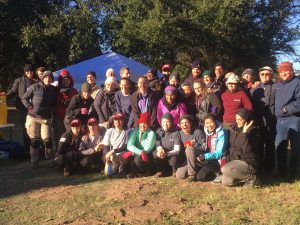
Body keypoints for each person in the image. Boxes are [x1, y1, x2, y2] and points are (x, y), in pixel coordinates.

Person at [22, 71, 57, 168]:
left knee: (47, 140)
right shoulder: (35, 86)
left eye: (50, 78)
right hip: (33, 117)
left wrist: (52, 109)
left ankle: (50, 160)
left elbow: (55, 103)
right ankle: (34, 162)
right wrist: (29, 106)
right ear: (43, 78)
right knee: (35, 141)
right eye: (46, 77)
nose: (48, 79)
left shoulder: (54, 90)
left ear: (52, 79)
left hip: (46, 118)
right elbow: (24, 98)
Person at [221, 109, 261, 187]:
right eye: (236, 119)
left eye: (240, 120)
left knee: (225, 169)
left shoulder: (254, 131)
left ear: (247, 120)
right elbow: (231, 147)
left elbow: (248, 151)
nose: (237, 121)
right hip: (236, 160)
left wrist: (244, 133)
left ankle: (252, 179)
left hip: (249, 162)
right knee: (226, 181)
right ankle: (244, 179)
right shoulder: (233, 129)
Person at [274, 62, 300, 179]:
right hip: (280, 121)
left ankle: (294, 172)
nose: (283, 73)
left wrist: (286, 109)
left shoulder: (297, 82)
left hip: (294, 118)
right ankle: (282, 171)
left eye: (286, 71)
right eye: (281, 71)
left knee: (295, 147)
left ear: (291, 71)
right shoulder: (278, 84)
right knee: (280, 146)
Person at [250, 66, 277, 175]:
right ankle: (259, 167)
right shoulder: (254, 88)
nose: (265, 76)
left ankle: (269, 168)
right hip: (258, 120)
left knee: (270, 145)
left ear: (271, 75)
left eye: (267, 74)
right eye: (262, 74)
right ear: (259, 75)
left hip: (271, 120)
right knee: (259, 145)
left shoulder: (276, 87)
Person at [6, 64, 36, 153]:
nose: (29, 73)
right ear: (24, 72)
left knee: (35, 128)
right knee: (25, 127)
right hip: (23, 107)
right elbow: (12, 91)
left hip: (34, 107)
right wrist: (4, 97)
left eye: (31, 71)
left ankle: (36, 148)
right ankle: (27, 149)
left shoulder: (36, 81)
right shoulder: (19, 81)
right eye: (27, 71)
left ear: (33, 72)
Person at [192, 113, 228, 181]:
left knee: (202, 176)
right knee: (199, 177)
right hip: (210, 158)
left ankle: (219, 173)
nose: (209, 125)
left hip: (218, 159)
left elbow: (219, 153)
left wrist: (204, 156)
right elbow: (205, 147)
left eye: (211, 122)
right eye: (207, 123)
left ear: (215, 122)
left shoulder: (221, 133)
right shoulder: (206, 132)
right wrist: (195, 144)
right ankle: (212, 172)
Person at [120, 112, 156, 177]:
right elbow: (129, 145)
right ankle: (128, 172)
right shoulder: (135, 131)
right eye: (141, 123)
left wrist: (132, 153)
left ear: (148, 124)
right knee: (124, 155)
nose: (142, 126)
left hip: (147, 157)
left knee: (137, 159)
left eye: (145, 123)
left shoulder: (151, 134)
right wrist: (137, 152)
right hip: (138, 153)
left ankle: (146, 172)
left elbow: (146, 150)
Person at [175, 115, 206, 181]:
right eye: (182, 123)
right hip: (188, 159)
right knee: (179, 175)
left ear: (190, 124)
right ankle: (196, 169)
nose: (184, 125)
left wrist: (195, 144)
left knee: (189, 148)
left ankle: (192, 175)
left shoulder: (198, 132)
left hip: (200, 158)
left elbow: (204, 148)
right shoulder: (179, 133)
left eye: (186, 122)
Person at [53, 69, 78, 149]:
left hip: (70, 118)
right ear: (61, 80)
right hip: (58, 117)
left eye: (67, 79)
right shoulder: (56, 90)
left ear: (70, 80)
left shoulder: (74, 91)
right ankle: (58, 154)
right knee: (59, 137)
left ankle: (69, 152)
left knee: (70, 135)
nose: (66, 81)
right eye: (63, 80)